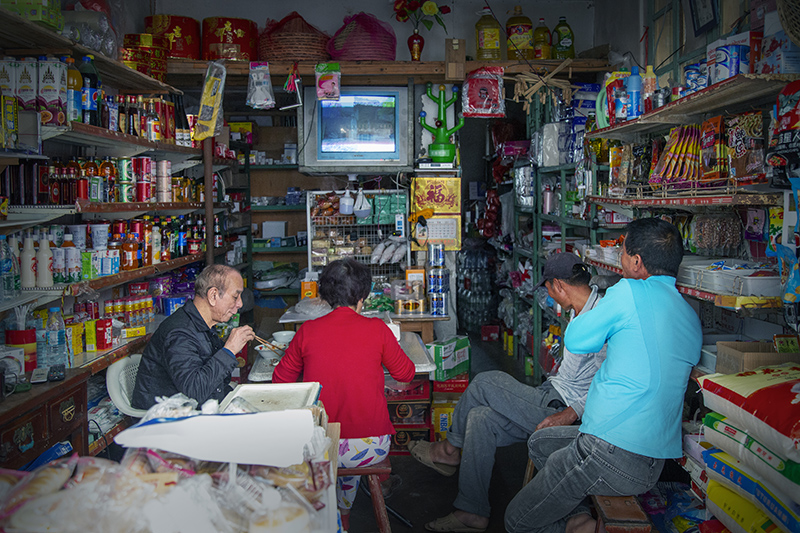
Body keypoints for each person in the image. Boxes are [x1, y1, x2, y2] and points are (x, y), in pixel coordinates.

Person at [504, 218, 702, 533]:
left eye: (622, 253)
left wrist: (608, 297)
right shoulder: (690, 315)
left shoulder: (629, 290)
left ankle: (578, 527)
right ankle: (577, 518)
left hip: (609, 450)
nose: (618, 261)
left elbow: (577, 339)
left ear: (637, 262)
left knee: (517, 521)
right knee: (542, 444)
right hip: (651, 464)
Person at [412, 253, 606, 533]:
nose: (549, 294)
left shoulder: (601, 318)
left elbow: (607, 382)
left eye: (548, 288)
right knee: (480, 419)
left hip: (562, 408)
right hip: (552, 393)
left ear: (559, 287)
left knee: (484, 383)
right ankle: (472, 512)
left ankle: (450, 450)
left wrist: (569, 413)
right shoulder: (581, 309)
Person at [272, 259, 415, 531]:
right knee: (350, 452)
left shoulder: (307, 331)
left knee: (329, 450)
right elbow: (406, 374)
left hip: (318, 445)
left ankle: (336, 516)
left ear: (325, 295)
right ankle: (343, 512)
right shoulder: (377, 330)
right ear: (363, 296)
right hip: (370, 447)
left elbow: (280, 380)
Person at [132, 264, 255, 410]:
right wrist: (229, 350)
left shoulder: (202, 325)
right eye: (235, 296)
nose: (239, 304)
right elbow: (195, 392)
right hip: (168, 420)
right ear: (213, 295)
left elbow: (219, 382)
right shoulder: (179, 333)